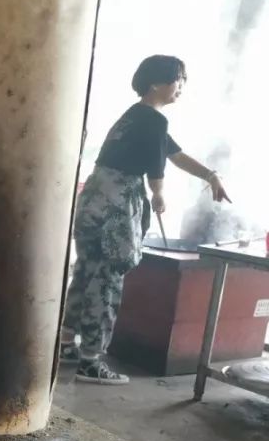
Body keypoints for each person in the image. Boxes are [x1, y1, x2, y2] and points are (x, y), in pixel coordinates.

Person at [61, 55, 230, 385]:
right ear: (158, 82)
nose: (180, 87)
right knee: (107, 279)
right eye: (177, 80)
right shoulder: (153, 120)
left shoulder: (134, 116)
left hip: (94, 199)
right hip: (115, 204)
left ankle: (68, 344)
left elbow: (174, 154)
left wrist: (211, 175)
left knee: (86, 271)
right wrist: (158, 194)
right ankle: (91, 361)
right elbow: (157, 167)